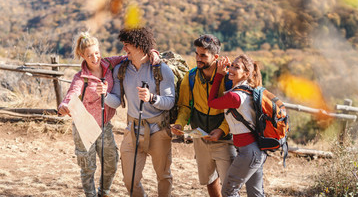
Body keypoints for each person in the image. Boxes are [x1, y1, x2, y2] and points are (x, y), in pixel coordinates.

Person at [57, 31, 159, 197]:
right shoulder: (80, 77)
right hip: (84, 126)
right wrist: (64, 106)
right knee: (88, 166)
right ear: (82, 55)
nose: (95, 58)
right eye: (89, 55)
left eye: (97, 53)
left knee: (111, 163)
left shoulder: (109, 64)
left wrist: (151, 52)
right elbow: (72, 94)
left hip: (105, 125)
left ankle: (103, 193)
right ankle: (90, 195)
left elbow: (129, 55)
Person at [98, 27, 175, 197]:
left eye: (127, 45)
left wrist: (152, 98)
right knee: (129, 180)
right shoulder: (121, 70)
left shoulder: (161, 70)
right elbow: (116, 101)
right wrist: (105, 95)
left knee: (163, 176)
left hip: (159, 131)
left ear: (139, 46)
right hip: (132, 131)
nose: (124, 49)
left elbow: (169, 102)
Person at [172, 34, 236, 197]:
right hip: (200, 138)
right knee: (209, 180)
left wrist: (221, 130)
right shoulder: (191, 76)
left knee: (230, 184)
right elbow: (185, 106)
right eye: (196, 54)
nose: (198, 59)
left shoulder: (228, 79)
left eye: (203, 55)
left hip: (225, 139)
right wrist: (180, 123)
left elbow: (234, 111)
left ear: (216, 57)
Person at [208, 54, 267, 197]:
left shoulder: (235, 97)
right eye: (231, 65)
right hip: (257, 151)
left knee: (228, 191)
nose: (232, 69)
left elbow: (211, 103)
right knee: (256, 194)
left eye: (237, 67)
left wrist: (218, 76)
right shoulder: (249, 90)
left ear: (246, 74)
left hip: (248, 152)